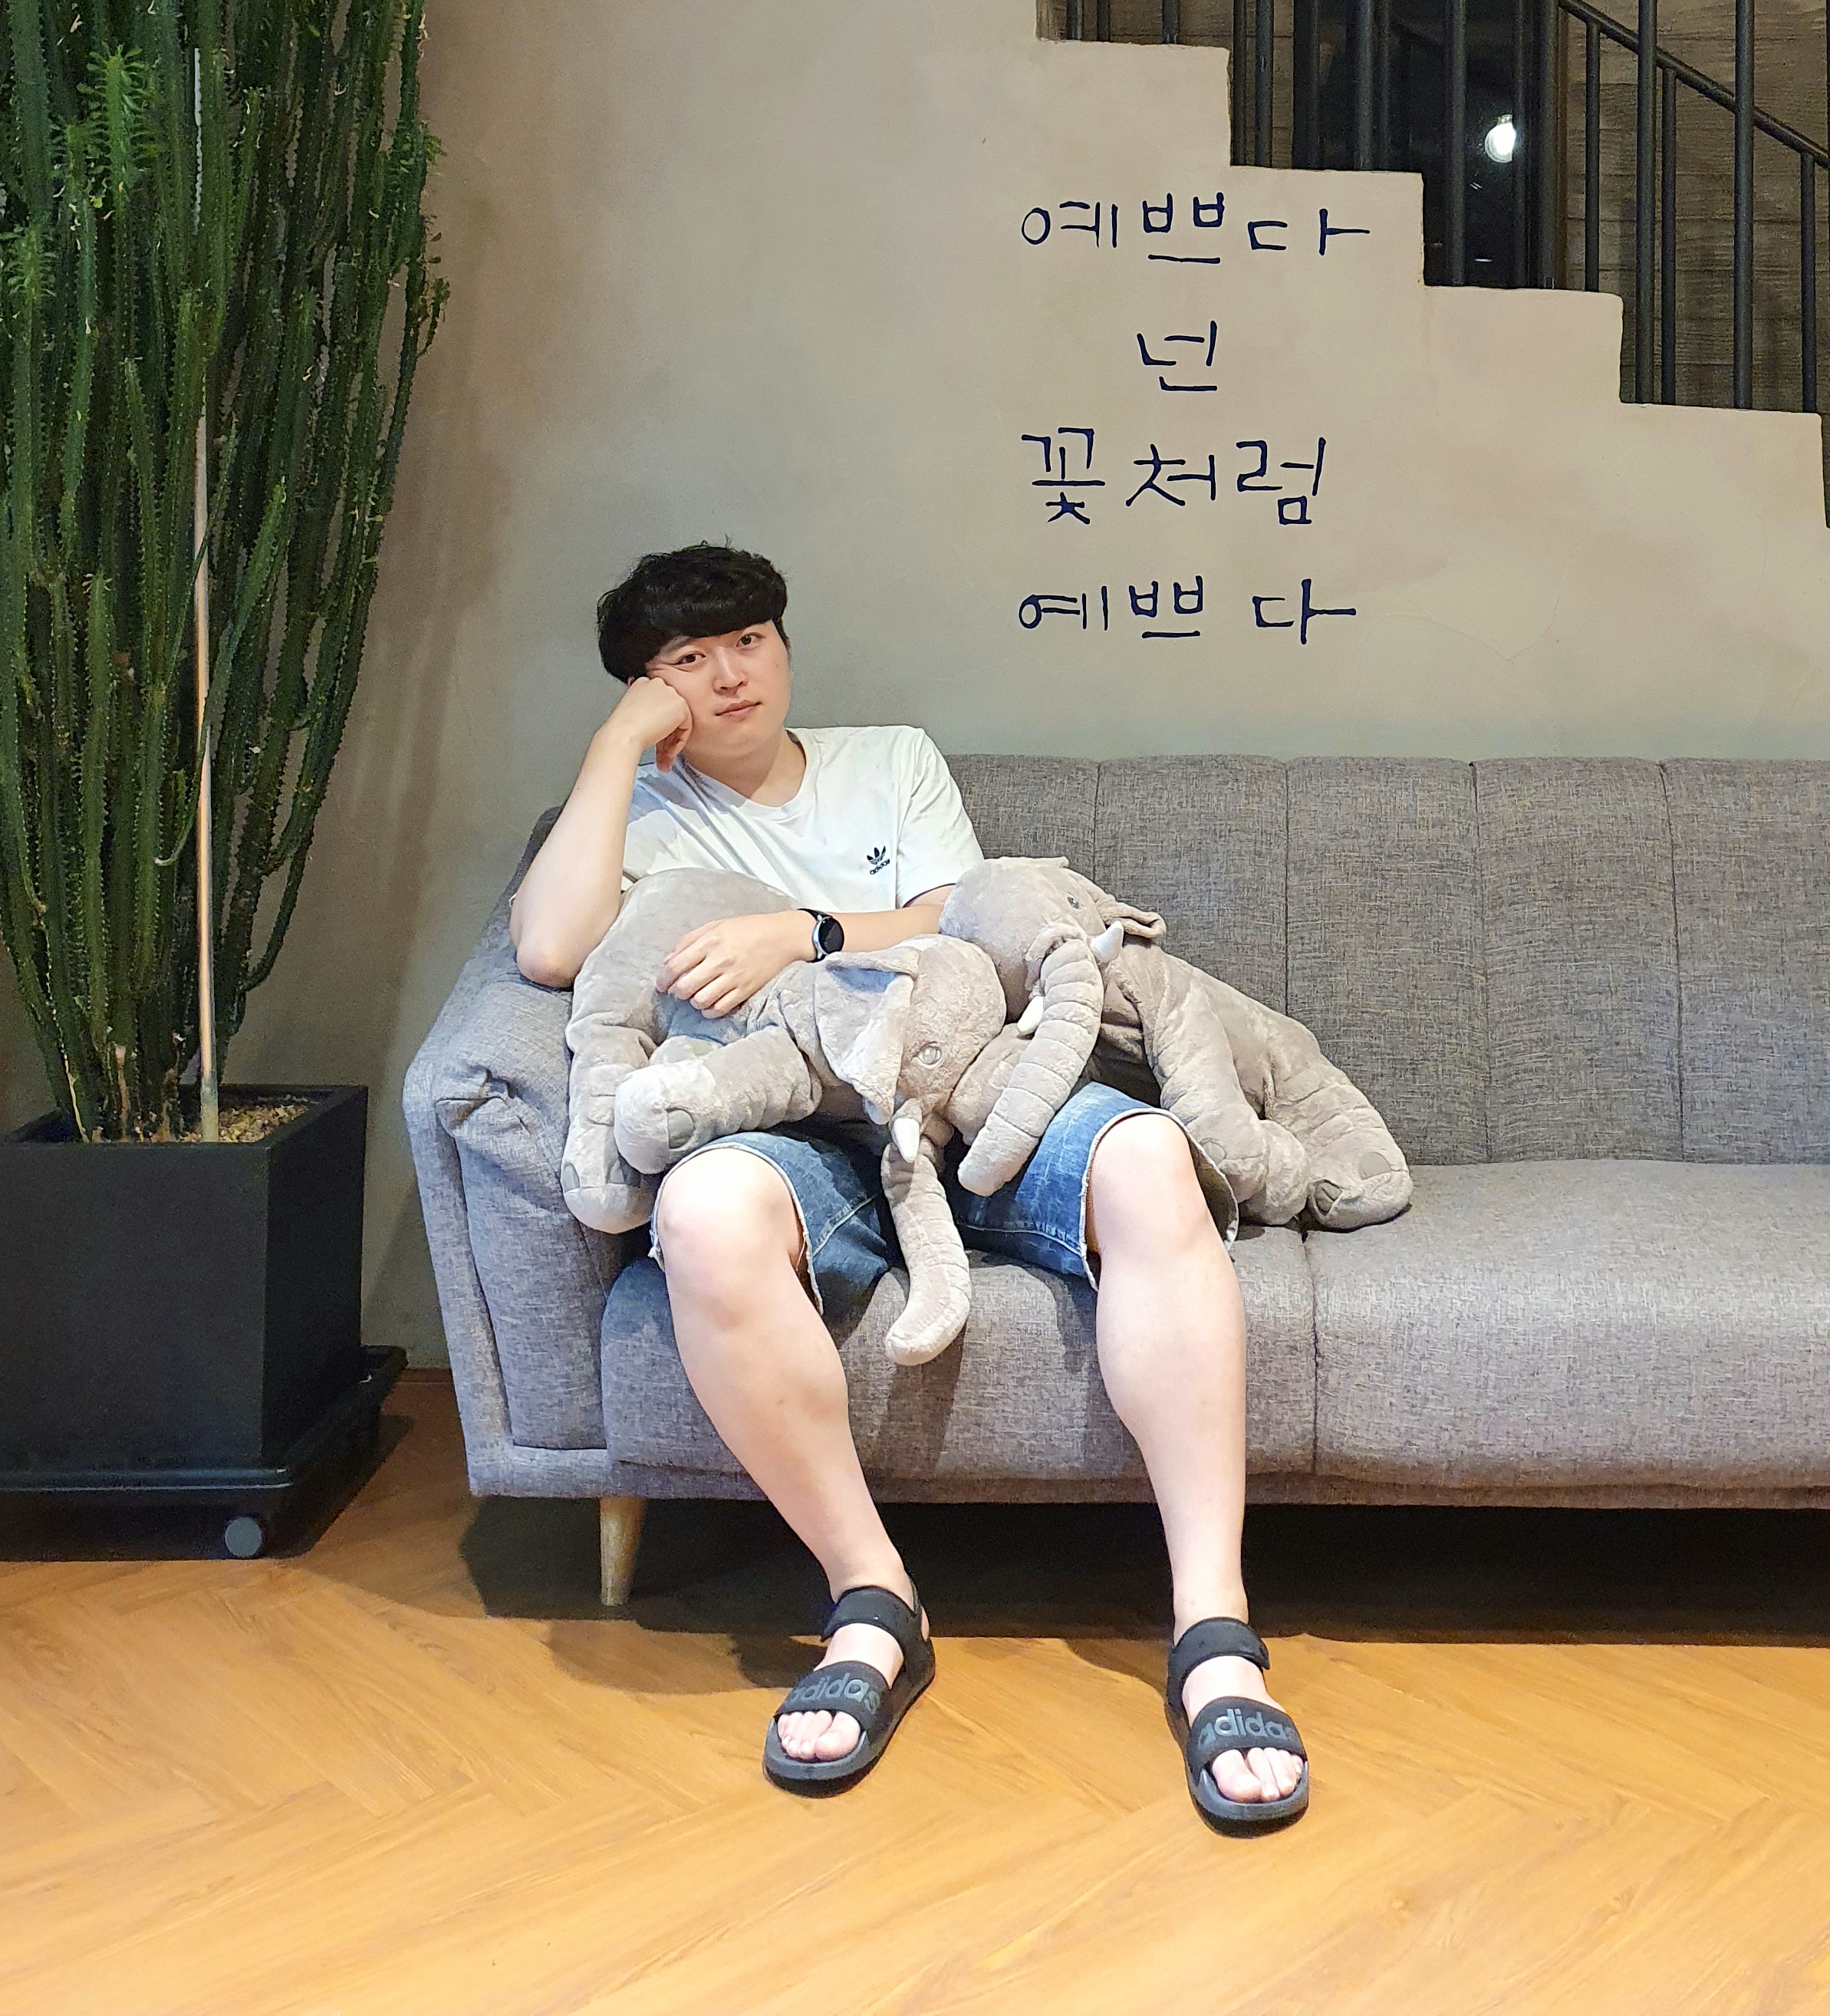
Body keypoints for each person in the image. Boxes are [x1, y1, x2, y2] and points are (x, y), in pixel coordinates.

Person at [510, 541, 1308, 1829]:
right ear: (648, 688)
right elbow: (552, 950)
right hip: (797, 1126)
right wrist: (615, 748)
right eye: (688, 661)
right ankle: (872, 1600)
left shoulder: (891, 760)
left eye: (749, 642)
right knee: (702, 1214)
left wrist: (804, 932)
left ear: (785, 644)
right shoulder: (638, 820)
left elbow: (969, 920)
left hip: (972, 1092)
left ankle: (1214, 1630)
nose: (730, 676)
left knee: (1151, 1158)